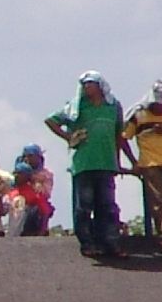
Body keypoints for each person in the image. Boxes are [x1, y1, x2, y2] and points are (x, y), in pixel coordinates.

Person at [45, 71, 124, 259]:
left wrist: (118, 161)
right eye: (84, 84)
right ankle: (87, 243)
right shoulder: (76, 107)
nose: (87, 87)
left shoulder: (113, 106)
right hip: (84, 164)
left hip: (106, 163)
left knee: (107, 206)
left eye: (90, 83)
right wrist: (69, 137)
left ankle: (110, 242)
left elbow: (118, 135)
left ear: (99, 85)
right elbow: (51, 120)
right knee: (84, 206)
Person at [121, 81, 162, 259]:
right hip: (150, 163)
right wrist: (134, 161)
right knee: (159, 200)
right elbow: (123, 138)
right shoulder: (139, 115)